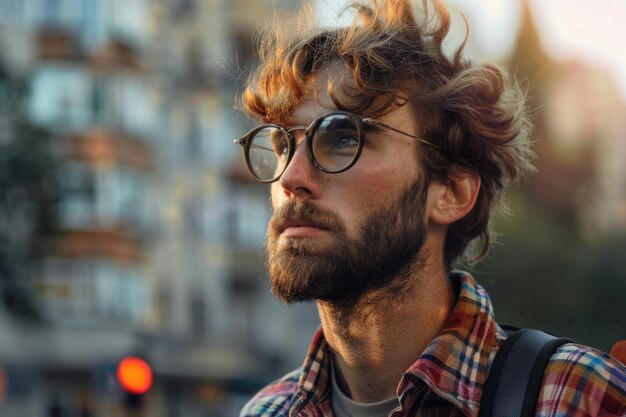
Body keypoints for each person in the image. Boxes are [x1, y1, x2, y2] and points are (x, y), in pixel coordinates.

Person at [234, 0, 626, 416]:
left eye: (342, 136)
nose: (290, 177)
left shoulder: (576, 397)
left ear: (452, 193)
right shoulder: (265, 411)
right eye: (281, 144)